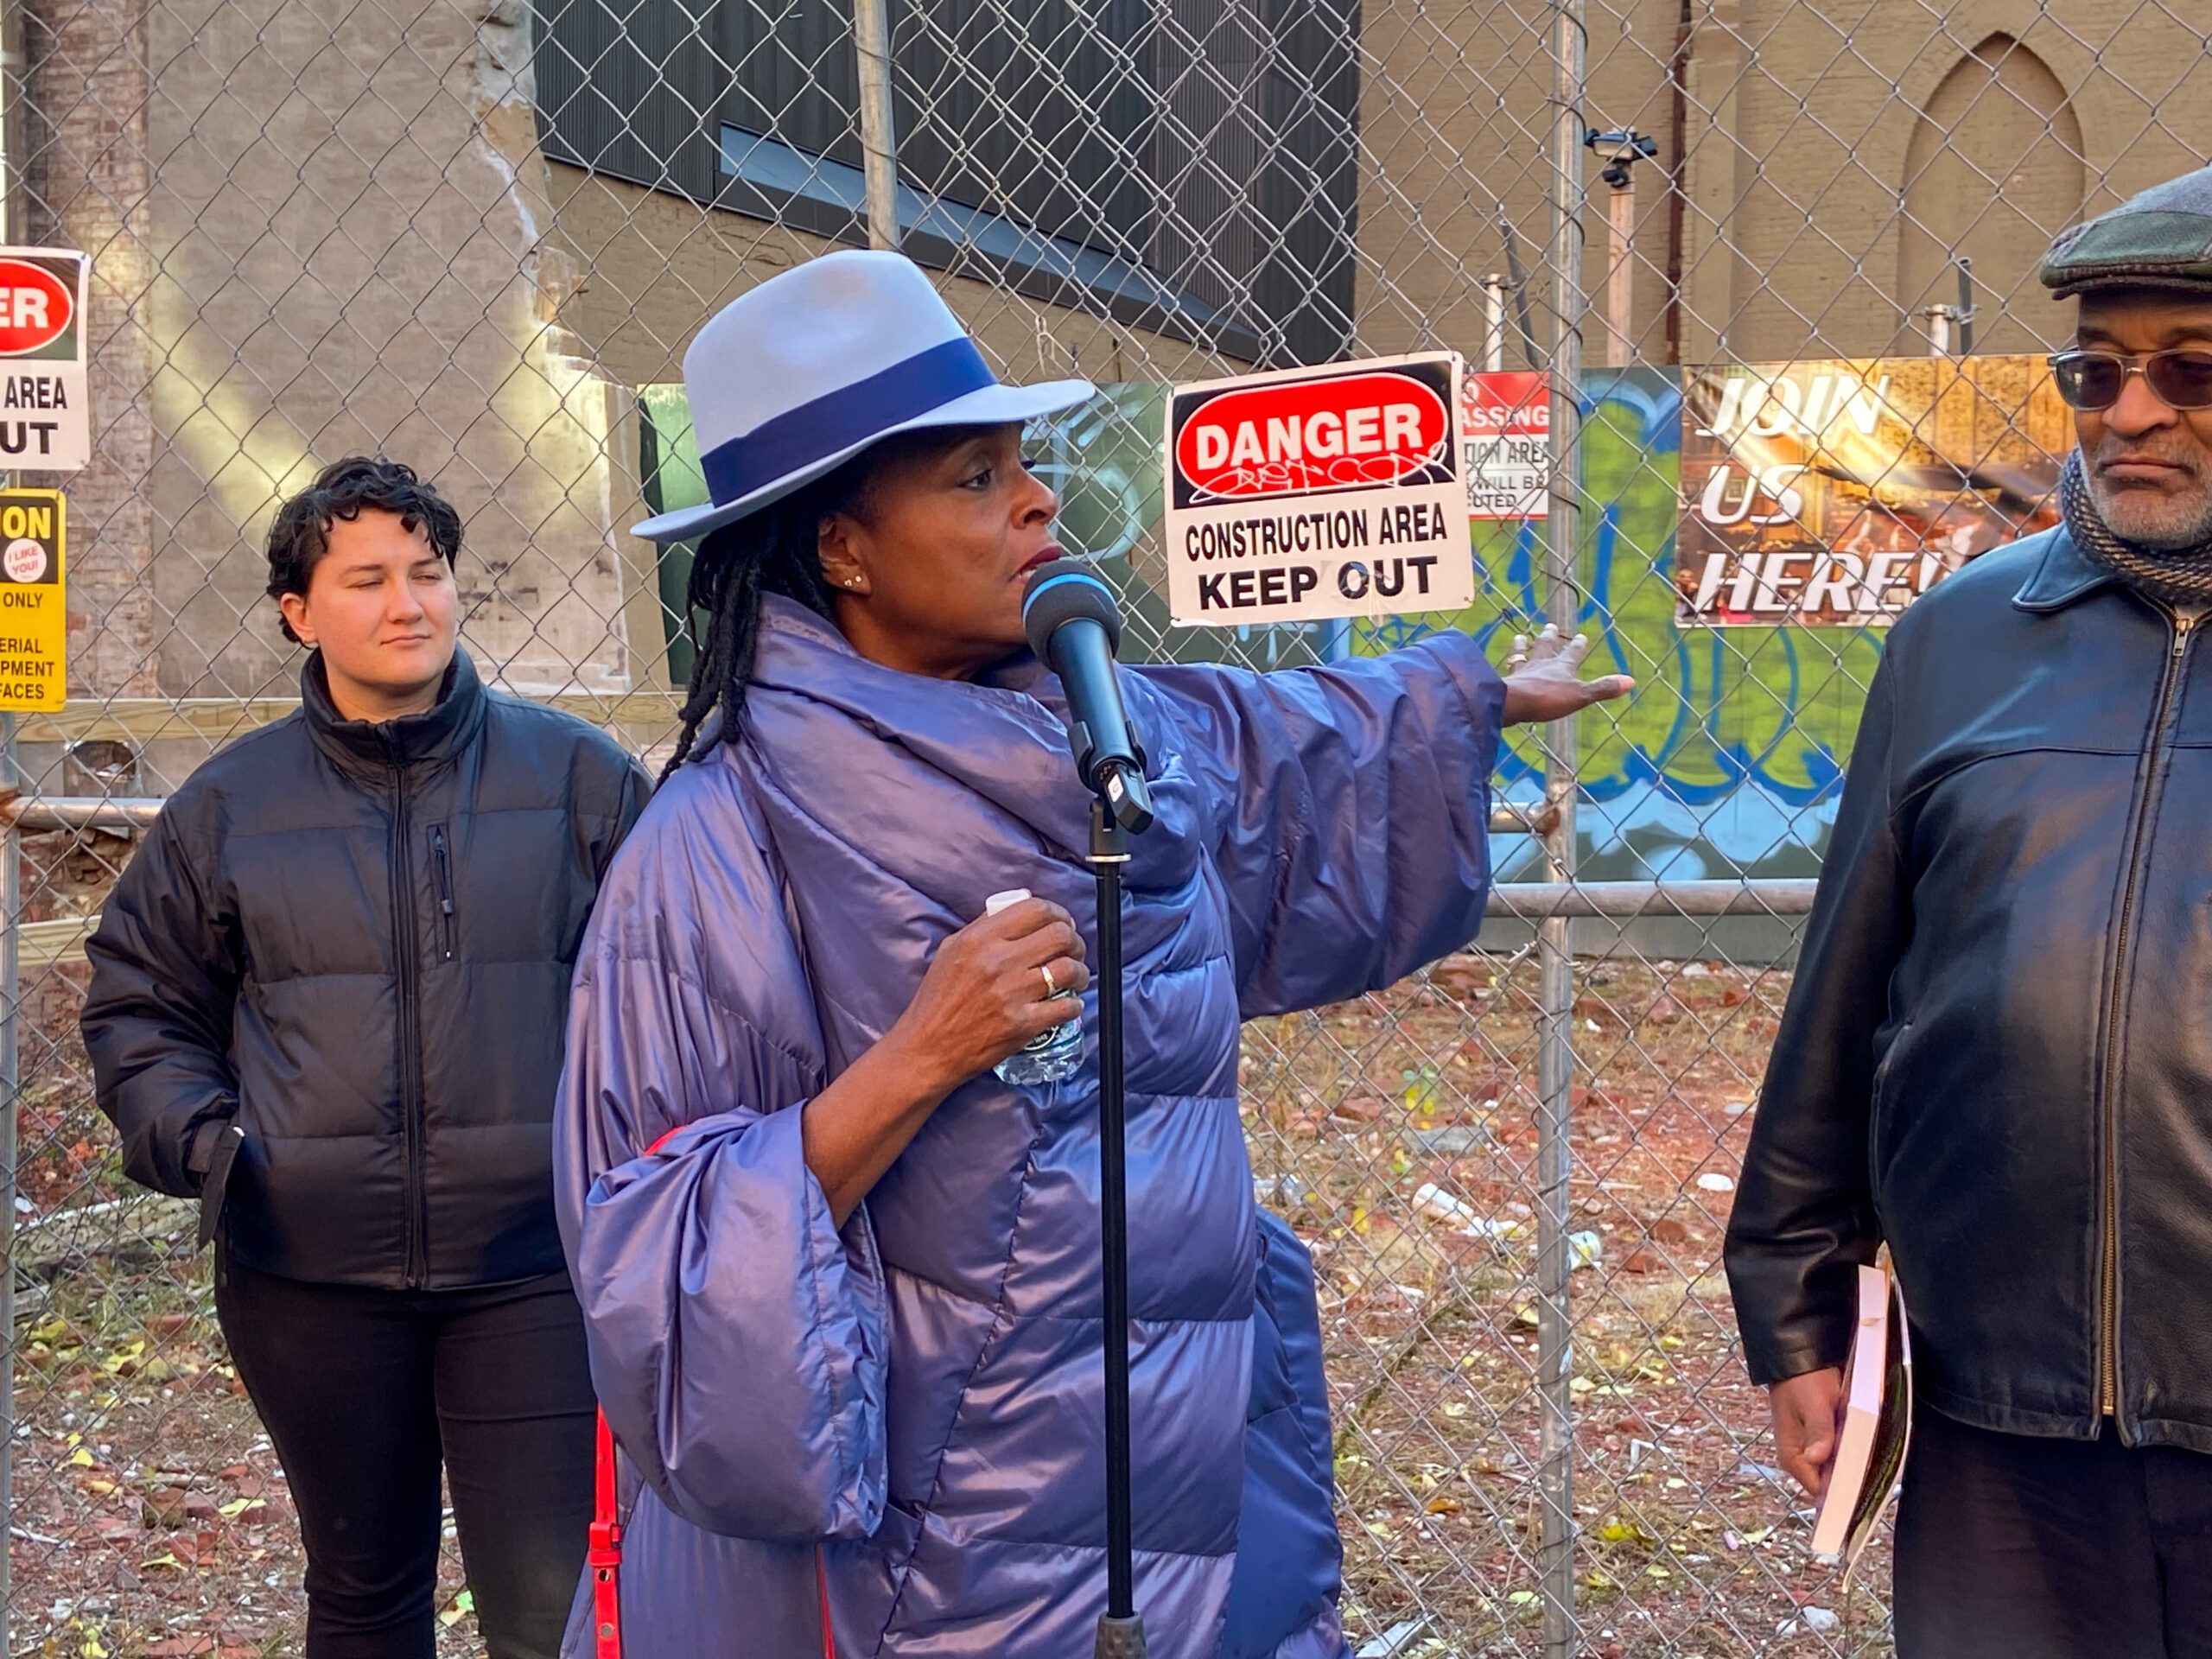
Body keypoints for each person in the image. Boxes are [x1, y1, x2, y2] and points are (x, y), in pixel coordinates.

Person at [554, 249, 1629, 1659]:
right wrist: (927, 1051)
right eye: (972, 479)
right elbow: (657, 1251)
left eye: (1024, 462)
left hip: (1165, 1475)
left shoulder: (1115, 741)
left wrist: (1463, 696)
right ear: (842, 547)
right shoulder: (713, 851)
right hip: (921, 1548)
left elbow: (1281, 739)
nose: (1037, 500)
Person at [1726, 162, 2212, 1658]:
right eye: (2098, 369)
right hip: (1995, 1413)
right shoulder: (1958, 641)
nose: (2129, 413)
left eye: (2191, 368)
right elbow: (1846, 994)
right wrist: (1796, 1307)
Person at [82, 458, 652, 1659]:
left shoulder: (579, 782)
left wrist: (630, 1169)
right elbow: (140, 1002)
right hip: (309, 1277)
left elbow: (679, 992)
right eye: (368, 579)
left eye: (428, 572)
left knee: (551, 1607)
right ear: (301, 611)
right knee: (360, 1589)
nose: (409, 603)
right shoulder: (229, 807)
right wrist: (214, 1148)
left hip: (536, 1268)